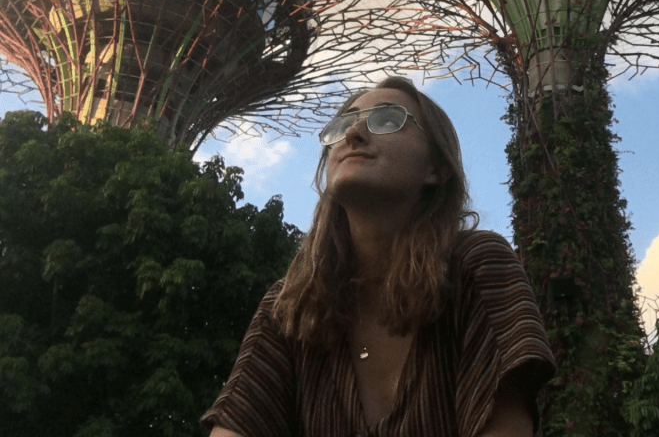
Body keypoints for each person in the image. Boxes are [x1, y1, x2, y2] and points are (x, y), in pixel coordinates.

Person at [201, 77, 555, 437]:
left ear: (436, 168)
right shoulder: (290, 307)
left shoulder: (475, 268)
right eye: (342, 125)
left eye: (387, 120)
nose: (353, 134)